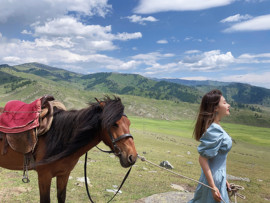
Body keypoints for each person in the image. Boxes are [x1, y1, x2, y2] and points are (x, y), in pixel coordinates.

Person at [188, 89, 232, 203]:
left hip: (217, 179)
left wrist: (224, 179)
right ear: (215, 108)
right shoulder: (214, 130)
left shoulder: (216, 127)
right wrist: (213, 186)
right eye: (224, 102)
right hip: (213, 181)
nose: (228, 105)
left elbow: (215, 160)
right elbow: (203, 159)